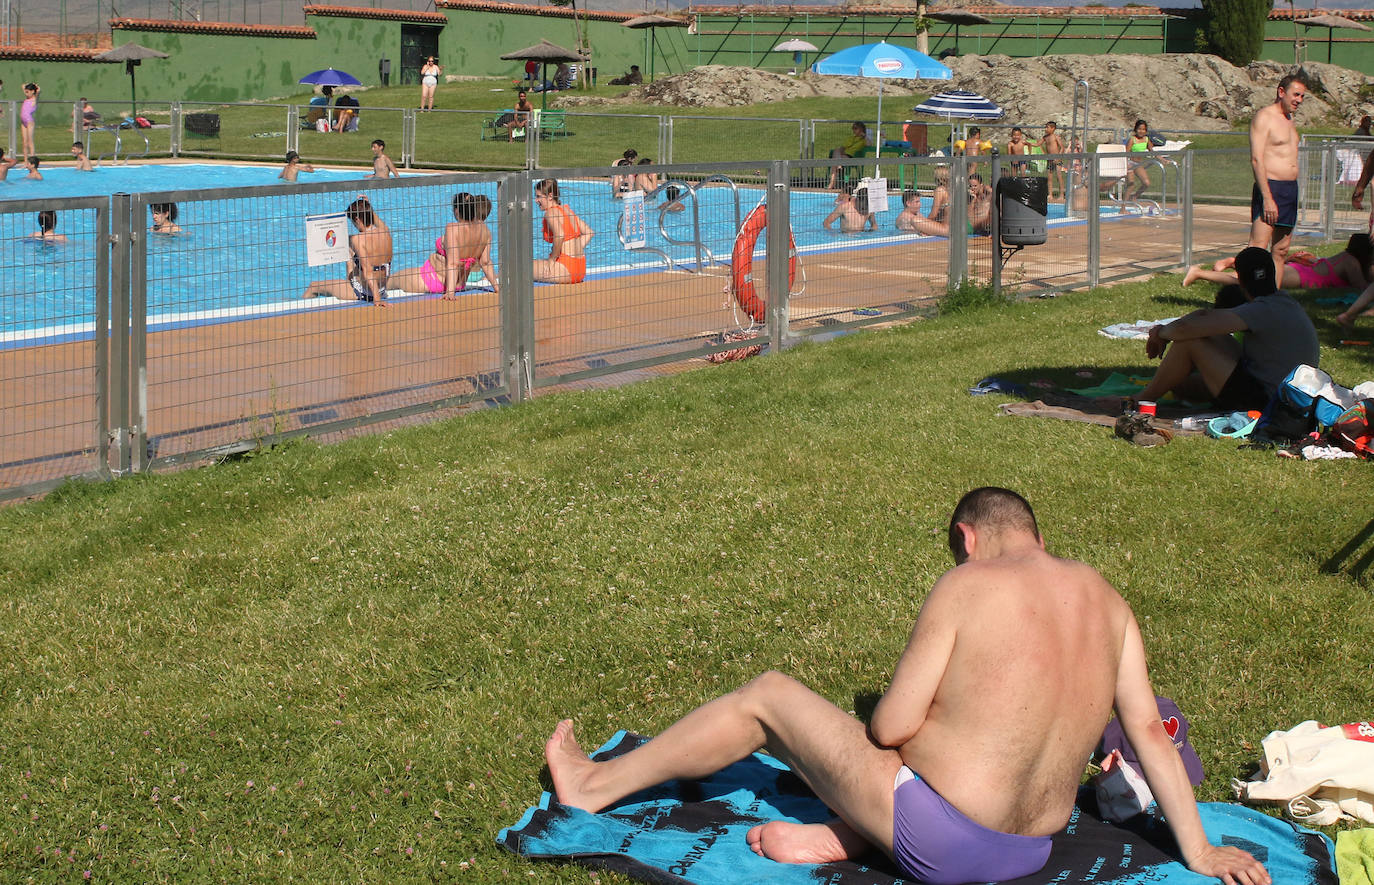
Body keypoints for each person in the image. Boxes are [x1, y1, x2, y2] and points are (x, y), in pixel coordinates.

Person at [543, 487, 1272, 885]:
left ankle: (593, 786)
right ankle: (846, 836)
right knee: (928, 762)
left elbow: (889, 727)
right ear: (1037, 535)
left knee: (766, 695)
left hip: (941, 841)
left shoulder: (967, 583)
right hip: (1032, 851)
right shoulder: (1108, 601)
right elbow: (1149, 731)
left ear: (966, 536)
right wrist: (1200, 852)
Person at [1129, 246, 1318, 413]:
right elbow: (1203, 318)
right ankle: (1165, 390)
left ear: (1240, 281)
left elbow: (1186, 328)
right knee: (1182, 383)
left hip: (1268, 403)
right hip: (1281, 395)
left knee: (1191, 341)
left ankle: (1141, 400)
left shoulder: (1263, 309)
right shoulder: (1282, 302)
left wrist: (1158, 333)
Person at [1248, 73, 1308, 279]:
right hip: (1270, 187)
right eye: (1296, 95)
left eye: (1302, 97)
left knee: (1281, 251)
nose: (1299, 100)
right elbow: (1256, 159)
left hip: (1289, 190)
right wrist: (1267, 198)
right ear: (1281, 92)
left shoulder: (1290, 118)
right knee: (1258, 249)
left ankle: (1273, 302)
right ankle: (1248, 300)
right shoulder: (1265, 117)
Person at [391, 191, 499, 300]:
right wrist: (496, 287)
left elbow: (453, 263)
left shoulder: (453, 229)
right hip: (459, 284)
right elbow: (485, 262)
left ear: (456, 211)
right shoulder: (485, 231)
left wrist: (450, 292)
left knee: (393, 279)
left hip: (432, 279)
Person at [1184, 233, 1372, 294]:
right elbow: (1363, 288)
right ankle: (1198, 273)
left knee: (1255, 276)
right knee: (1248, 281)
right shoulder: (1352, 263)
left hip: (1302, 270)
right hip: (1301, 276)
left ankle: (1233, 262)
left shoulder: (1346, 257)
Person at [302, 196, 393, 306]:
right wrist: (366, 206)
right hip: (382, 290)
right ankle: (349, 281)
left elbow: (368, 271)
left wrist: (377, 299)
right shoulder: (385, 232)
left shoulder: (358, 240)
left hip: (365, 293)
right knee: (349, 249)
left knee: (313, 286)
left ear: (357, 220)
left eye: (353, 223)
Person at [533, 178, 593, 284]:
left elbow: (560, 235)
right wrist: (575, 248)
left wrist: (552, 259)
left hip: (565, 268)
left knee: (522, 268)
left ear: (550, 196)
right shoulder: (567, 210)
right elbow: (589, 232)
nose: (536, 200)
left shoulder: (550, 213)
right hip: (580, 269)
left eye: (538, 196)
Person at [828, 121, 869, 190]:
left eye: (856, 128)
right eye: (853, 128)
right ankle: (839, 164)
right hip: (843, 155)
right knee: (836, 152)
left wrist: (864, 136)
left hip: (852, 157)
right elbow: (843, 147)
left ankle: (832, 184)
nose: (853, 130)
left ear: (861, 129)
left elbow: (869, 144)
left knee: (834, 161)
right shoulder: (851, 138)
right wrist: (840, 151)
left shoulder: (863, 140)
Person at [1035, 120, 1065, 202]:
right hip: (1050, 160)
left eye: (1047, 127)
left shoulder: (1056, 137)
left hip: (1057, 159)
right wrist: (1027, 143)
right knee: (1050, 178)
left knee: (1059, 177)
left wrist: (1058, 157)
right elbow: (1037, 144)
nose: (1045, 129)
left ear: (1053, 128)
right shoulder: (1045, 137)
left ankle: (1062, 195)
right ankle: (1050, 194)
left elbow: (1062, 147)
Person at [1125, 119, 1154, 200]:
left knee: (1146, 183)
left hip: (1138, 164)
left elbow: (1152, 151)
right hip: (1130, 163)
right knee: (1131, 184)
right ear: (1135, 129)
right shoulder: (1132, 139)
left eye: (1143, 129)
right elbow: (1125, 154)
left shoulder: (1146, 139)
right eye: (1139, 129)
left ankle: (1134, 196)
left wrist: (1163, 160)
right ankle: (1123, 207)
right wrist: (1126, 166)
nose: (1141, 131)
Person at [20, 83, 38, 159]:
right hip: (23, 122)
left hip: (29, 121)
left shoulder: (34, 99)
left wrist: (36, 87)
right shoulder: (27, 98)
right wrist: (29, 85)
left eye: (27, 92)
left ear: (33, 91)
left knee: (30, 141)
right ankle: (26, 161)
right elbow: (23, 85)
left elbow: (38, 90)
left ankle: (33, 161)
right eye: (25, 92)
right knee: (24, 142)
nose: (26, 93)